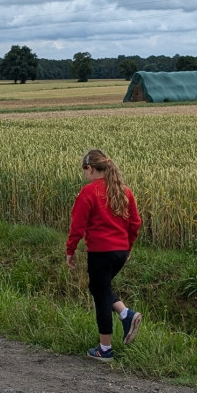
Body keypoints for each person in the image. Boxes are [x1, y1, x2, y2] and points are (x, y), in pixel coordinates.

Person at [66, 149, 142, 362]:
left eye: (85, 170)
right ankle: (126, 314)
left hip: (100, 252)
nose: (84, 175)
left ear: (90, 168)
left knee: (100, 296)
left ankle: (105, 349)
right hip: (119, 252)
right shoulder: (123, 191)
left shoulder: (88, 192)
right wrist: (129, 247)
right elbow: (135, 222)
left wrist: (70, 250)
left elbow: (77, 226)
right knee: (100, 287)